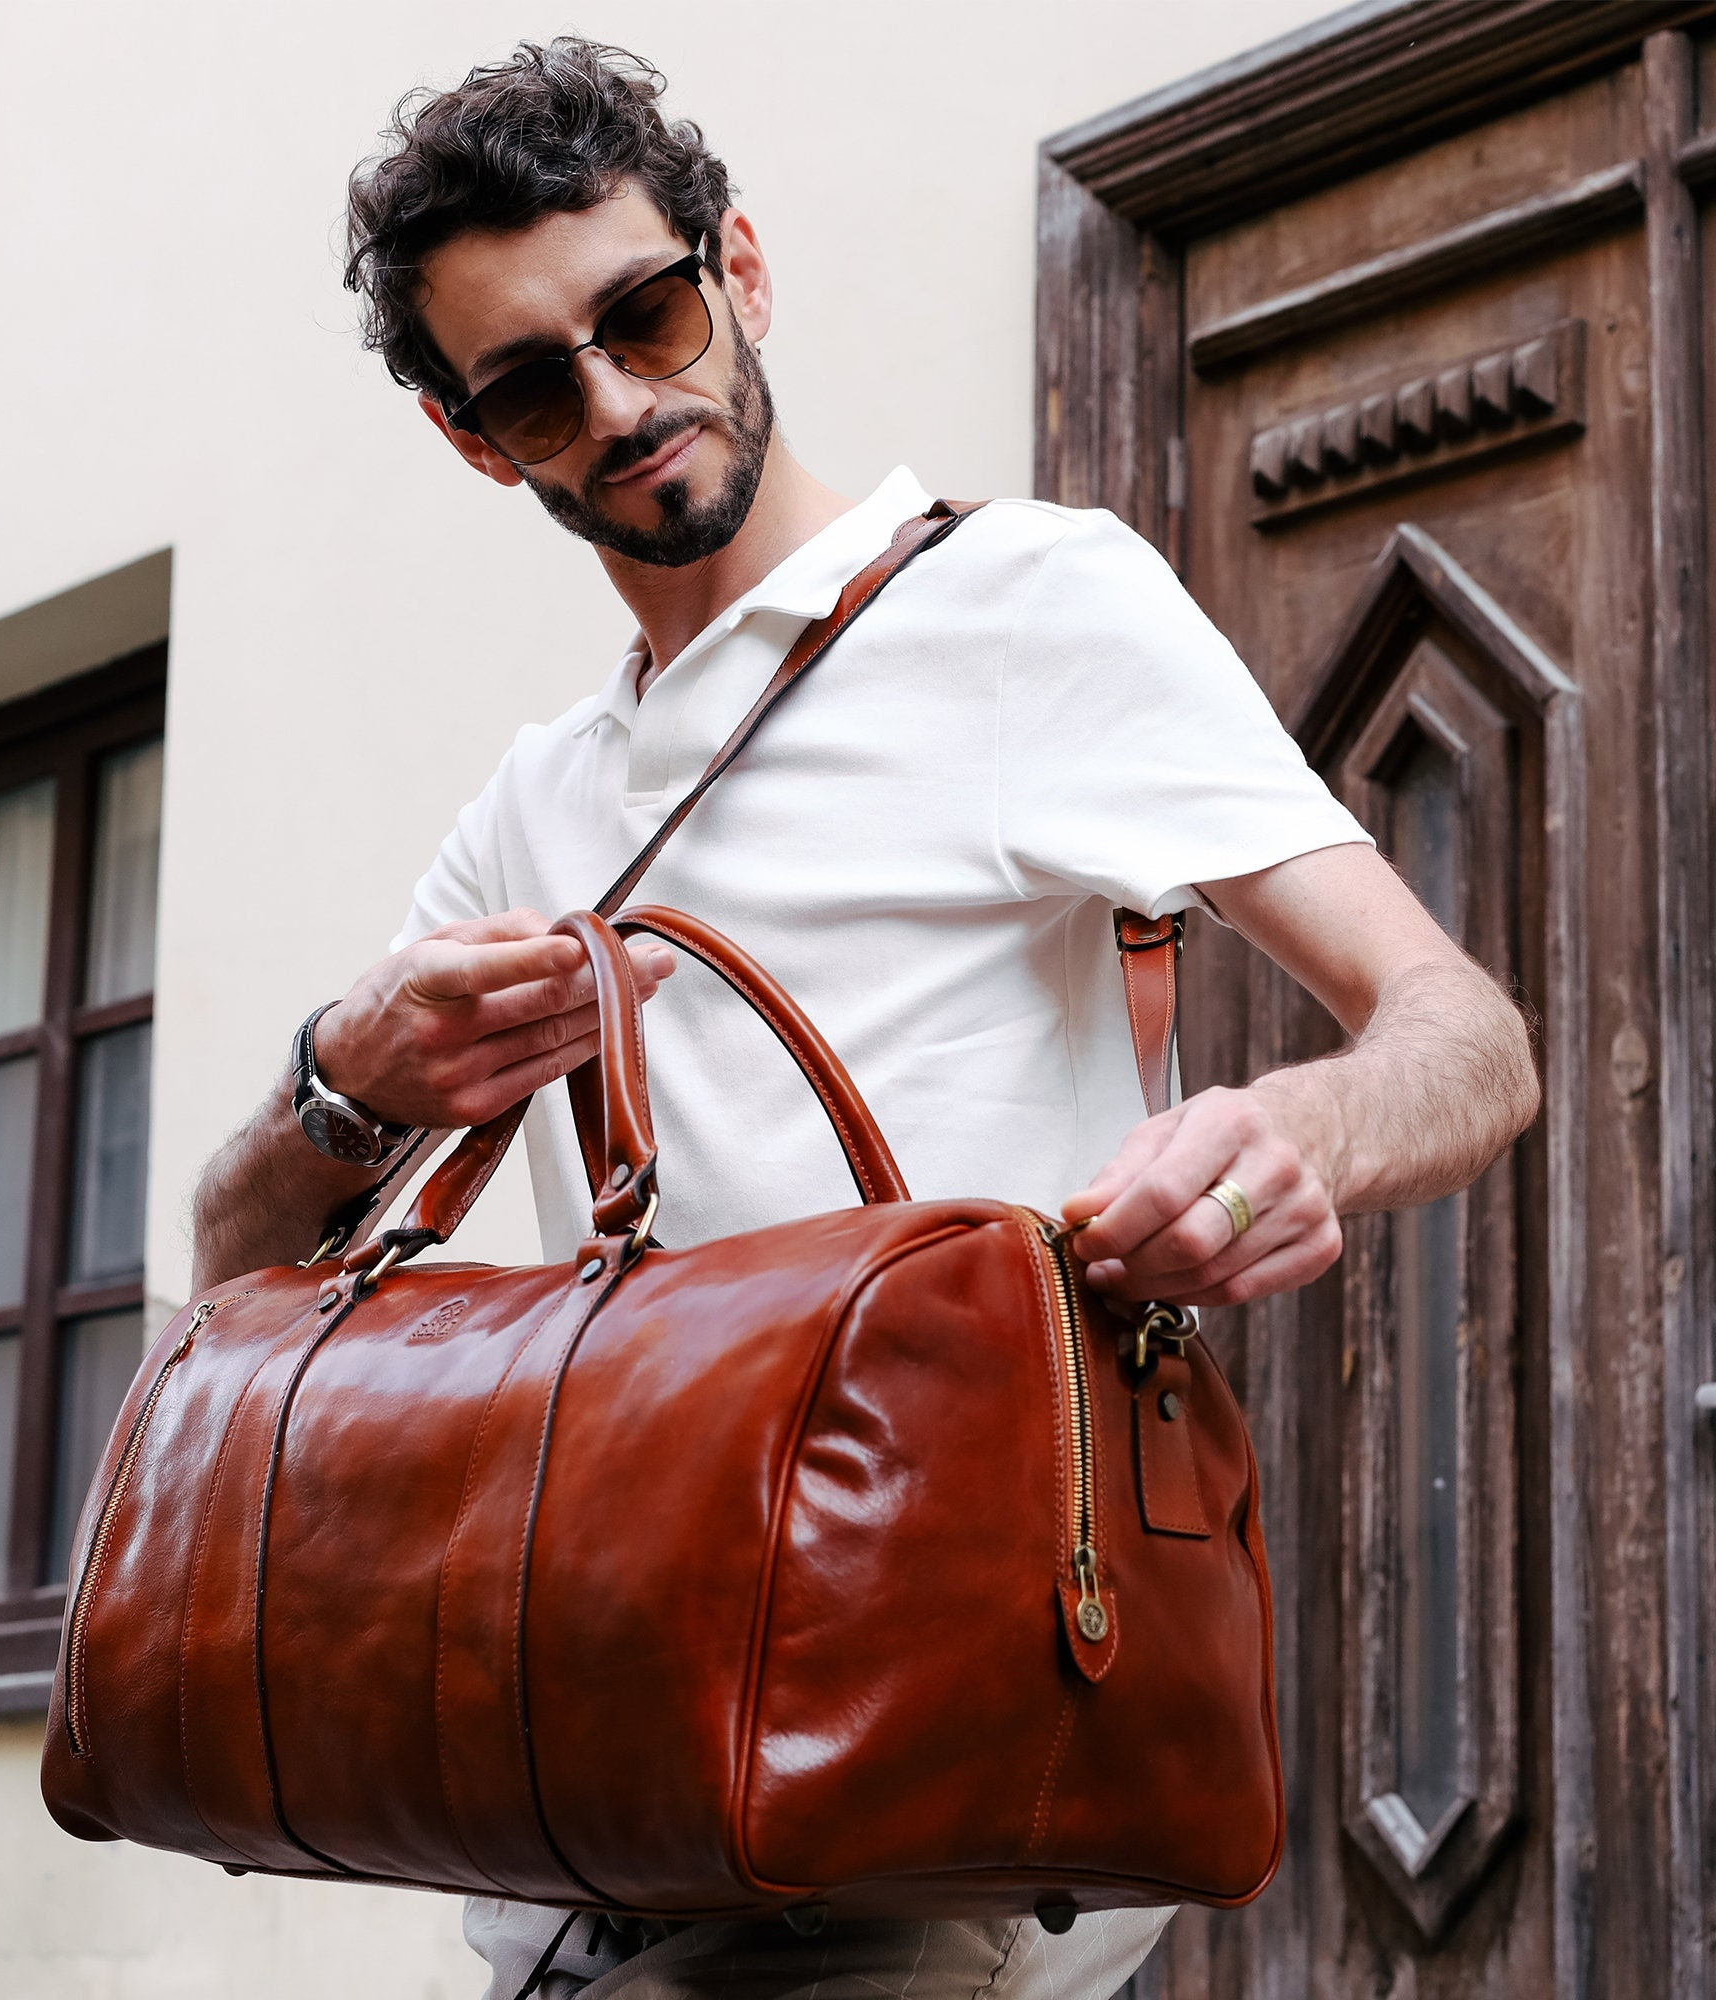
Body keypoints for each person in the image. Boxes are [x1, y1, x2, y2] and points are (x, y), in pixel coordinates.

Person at [191, 37, 1539, 2000]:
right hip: (584, 1791)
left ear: (736, 261)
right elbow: (241, 1281)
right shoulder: (536, 802)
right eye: (531, 383)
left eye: (645, 312)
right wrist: (342, 1081)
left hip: (920, 1753)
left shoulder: (1021, 609)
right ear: (472, 439)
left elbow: (1467, 1034)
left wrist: (1290, 1139)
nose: (622, 399)